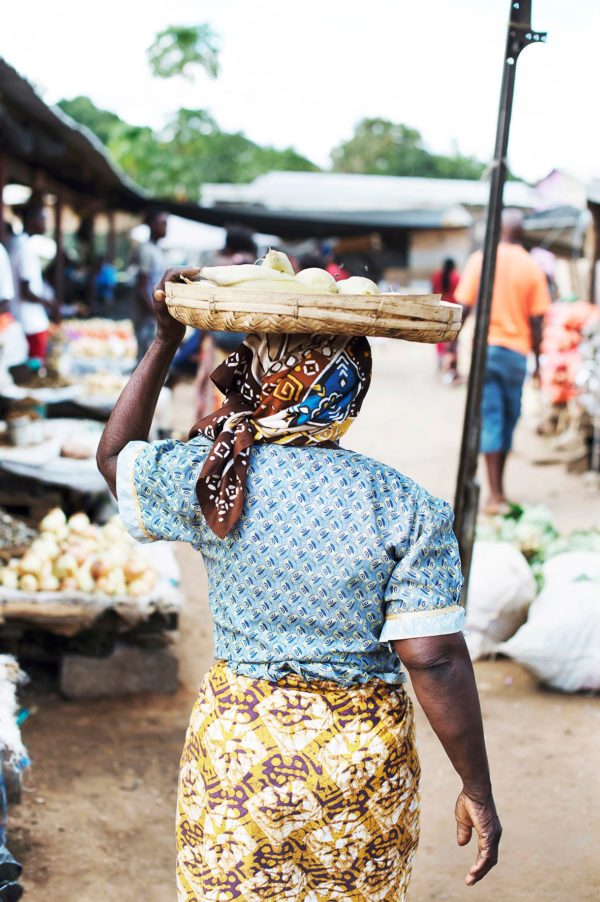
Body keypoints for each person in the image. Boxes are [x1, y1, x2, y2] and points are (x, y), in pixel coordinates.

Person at [97, 266, 501, 901]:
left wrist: (164, 341)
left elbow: (117, 461)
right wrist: (476, 788)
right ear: (351, 391)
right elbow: (435, 657)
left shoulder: (214, 480)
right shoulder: (406, 507)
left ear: (264, 382)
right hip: (359, 770)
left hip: (239, 756)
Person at [455, 209, 552, 514]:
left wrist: (450, 349)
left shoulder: (479, 260)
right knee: (508, 419)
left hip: (485, 351)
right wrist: (538, 362)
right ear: (521, 233)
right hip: (515, 355)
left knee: (493, 417)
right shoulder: (532, 266)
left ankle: (496, 493)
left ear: (498, 232)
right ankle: (497, 493)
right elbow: (537, 323)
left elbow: (464, 308)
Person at [10, 199, 58, 361]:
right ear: (32, 220)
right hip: (30, 322)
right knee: (34, 371)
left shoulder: (19, 243)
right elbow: (27, 291)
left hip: (24, 319)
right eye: (43, 218)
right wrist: (50, 303)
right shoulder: (25, 247)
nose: (46, 223)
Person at [134, 210, 168, 362]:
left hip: (153, 316)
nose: (165, 227)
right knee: (147, 359)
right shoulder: (146, 251)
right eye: (162, 223)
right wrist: (155, 313)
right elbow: (141, 288)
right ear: (151, 225)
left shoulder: (157, 251)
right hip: (147, 317)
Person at [431, 258, 461, 382]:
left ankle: (441, 366)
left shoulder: (436, 276)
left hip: (439, 311)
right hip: (452, 313)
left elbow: (432, 293)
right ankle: (452, 369)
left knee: (439, 340)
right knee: (453, 341)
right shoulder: (456, 277)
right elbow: (460, 297)